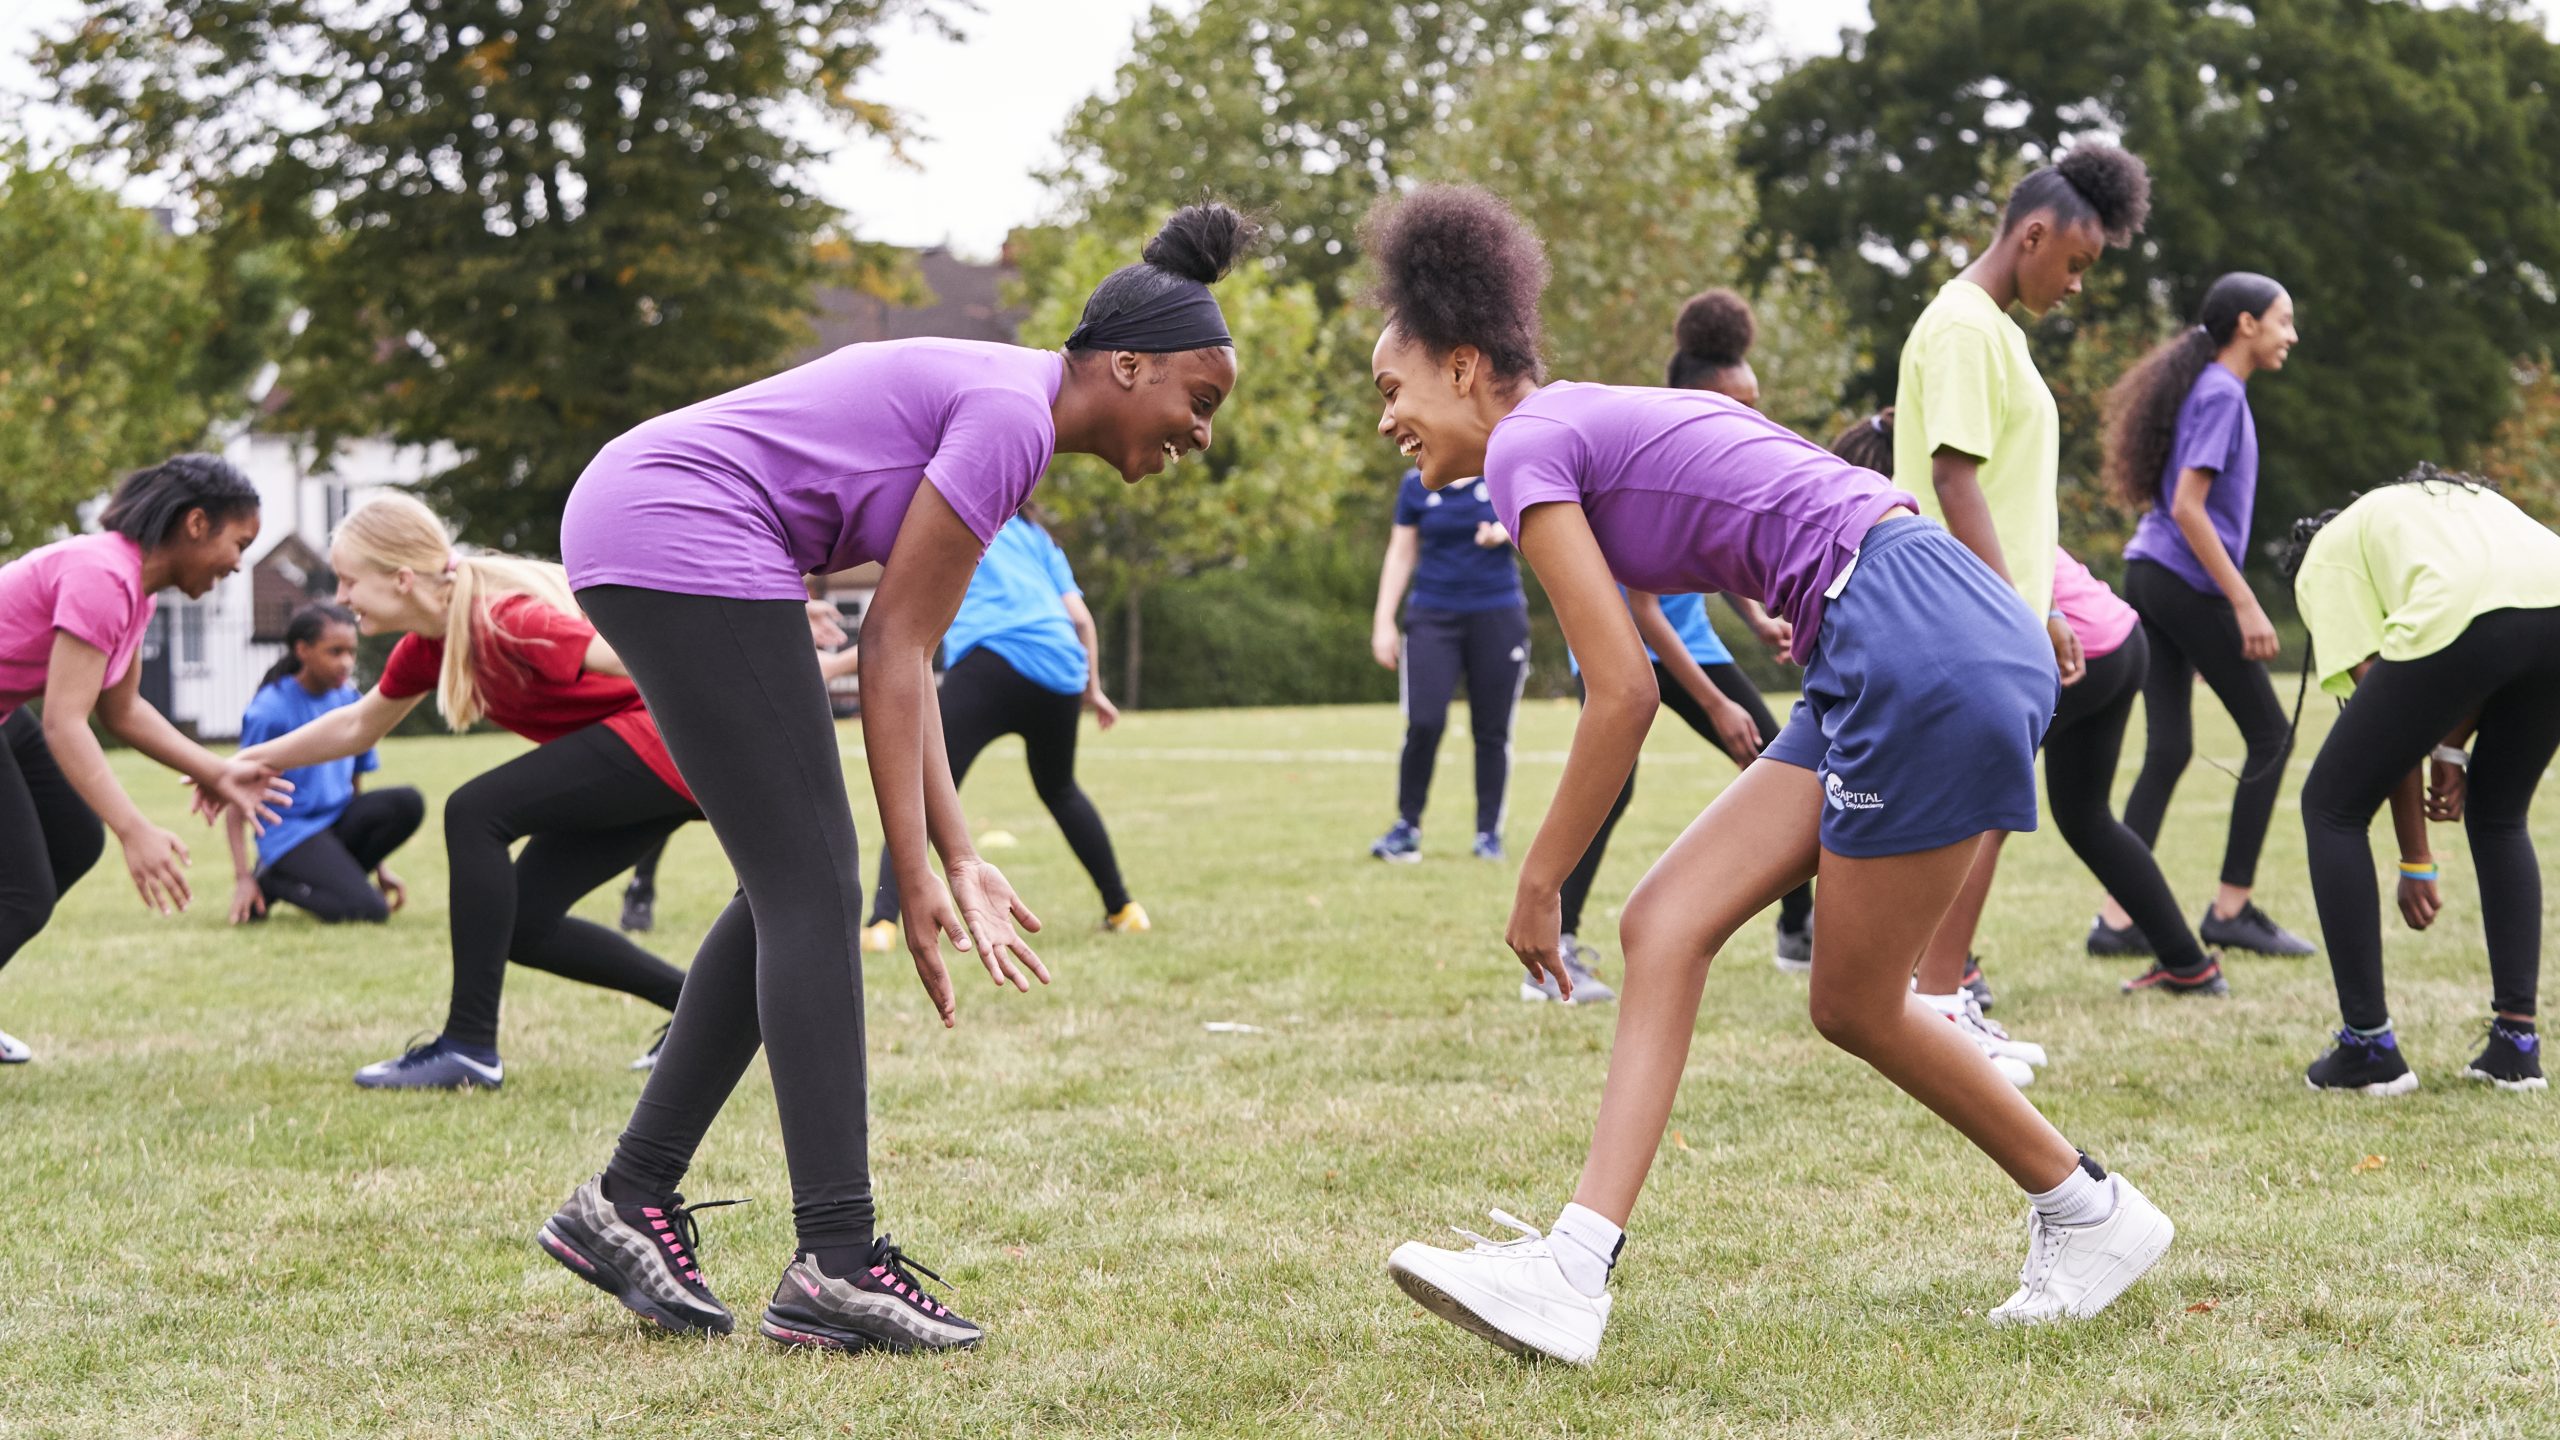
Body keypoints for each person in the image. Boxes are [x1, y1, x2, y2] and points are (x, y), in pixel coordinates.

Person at [1365, 186, 2172, 1368]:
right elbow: (1743, 516)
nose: (1387, 418)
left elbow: (1621, 693)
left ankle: (2091, 1210)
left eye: (1393, 388)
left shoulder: (1527, 445)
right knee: (1663, 921)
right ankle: (1571, 1268)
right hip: (1902, 624)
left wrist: (1538, 882)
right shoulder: (1582, 421)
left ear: (1467, 364)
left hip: (1913, 635)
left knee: (1852, 999)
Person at [537, 205, 1250, 1353]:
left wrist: (951, 854)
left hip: (653, 515)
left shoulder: (1008, 407)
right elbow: (895, 653)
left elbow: (909, 659)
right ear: (1127, 365)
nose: (1200, 434)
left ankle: (625, 1202)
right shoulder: (1012, 416)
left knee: (787, 886)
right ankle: (834, 1261)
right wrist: (917, 868)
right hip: (683, 522)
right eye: (1197, 403)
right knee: (811, 891)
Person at [224, 493, 700, 1090]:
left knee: (475, 810)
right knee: (524, 925)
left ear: (400, 579)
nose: (339, 598)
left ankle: (470, 1046)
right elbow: (355, 725)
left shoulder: (507, 620)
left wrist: (767, 650)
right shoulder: (432, 645)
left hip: (670, 745)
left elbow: (645, 657)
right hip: (661, 767)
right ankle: (698, 1012)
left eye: (348, 581)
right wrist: (242, 764)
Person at [1846, 416, 2228, 1021]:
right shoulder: (1977, 504)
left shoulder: (1923, 521)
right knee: (2085, 816)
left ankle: (1954, 970)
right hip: (2118, 640)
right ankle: (2189, 962)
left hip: (2070, 650)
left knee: (1977, 811)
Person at [1893, 144, 2152, 1026]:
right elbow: (1955, 479)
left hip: (1995, 611)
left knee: (1987, 806)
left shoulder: (1994, 328)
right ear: (2032, 234)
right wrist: (2017, 617)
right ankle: (1936, 997)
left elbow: (2002, 490)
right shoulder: (1965, 325)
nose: (2077, 284)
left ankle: (1940, 995)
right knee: (1974, 808)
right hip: (1965, 615)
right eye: (2076, 263)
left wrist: (2041, 603)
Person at [1552, 289, 1813, 1006]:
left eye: (1755, 401)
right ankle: (1555, 952)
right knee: (1613, 787)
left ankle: (1798, 928)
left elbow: (1712, 554)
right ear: (1696, 401)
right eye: (1739, 405)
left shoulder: (1715, 453)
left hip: (1688, 638)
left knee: (1786, 763)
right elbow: (1642, 615)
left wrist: (1758, 618)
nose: (1752, 419)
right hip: (1622, 645)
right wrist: (1717, 702)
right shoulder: (1652, 457)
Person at [0, 455, 292, 1064]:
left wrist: (218, 771)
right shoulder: (103, 577)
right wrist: (134, 828)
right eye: (238, 543)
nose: (239, 564)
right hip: (22, 718)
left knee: (74, 840)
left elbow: (123, 710)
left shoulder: (134, 590)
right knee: (23, 894)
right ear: (195, 524)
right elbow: (64, 720)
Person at [2285, 466, 2560, 1094]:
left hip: (2471, 614)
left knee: (2330, 804)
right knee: (2500, 813)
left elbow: (2382, 710)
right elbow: (2483, 638)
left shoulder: (2326, 557)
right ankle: (2516, 1047)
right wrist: (2453, 752)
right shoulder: (2447, 505)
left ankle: (2368, 1047)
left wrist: (2417, 859)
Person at [2098, 273, 2314, 958]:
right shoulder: (2222, 392)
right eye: (2283, 321)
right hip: (2180, 578)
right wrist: (2242, 602)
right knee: (2272, 737)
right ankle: (2232, 909)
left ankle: (2118, 920)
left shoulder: (2209, 388)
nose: (2292, 335)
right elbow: (2190, 507)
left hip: (2152, 574)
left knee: (2169, 747)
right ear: (2246, 324)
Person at [859, 512, 1146, 950]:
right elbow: (1082, 620)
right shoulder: (1039, 538)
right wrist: (1093, 689)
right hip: (1061, 669)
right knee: (1060, 788)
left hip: (992, 661)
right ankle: (1124, 909)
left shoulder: (963, 513)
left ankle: (883, 924)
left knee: (920, 790)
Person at [1367, 458, 1530, 863]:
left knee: (1492, 730)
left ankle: (1488, 835)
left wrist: (1505, 533)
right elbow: (1401, 553)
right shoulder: (1416, 484)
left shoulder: (1502, 474)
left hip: (1498, 614)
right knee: (1424, 722)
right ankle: (1406, 829)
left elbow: (1542, 520)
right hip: (1432, 616)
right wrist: (1383, 620)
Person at [224, 603, 425, 925]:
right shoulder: (270, 711)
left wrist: (379, 867)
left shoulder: (349, 700)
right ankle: (271, 879)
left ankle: (342, 879)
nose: (346, 663)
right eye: (335, 652)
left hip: (335, 821)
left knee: (406, 802)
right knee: (370, 911)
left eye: (351, 652)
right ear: (302, 649)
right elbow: (235, 797)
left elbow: (355, 786)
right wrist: (242, 877)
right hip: (291, 833)